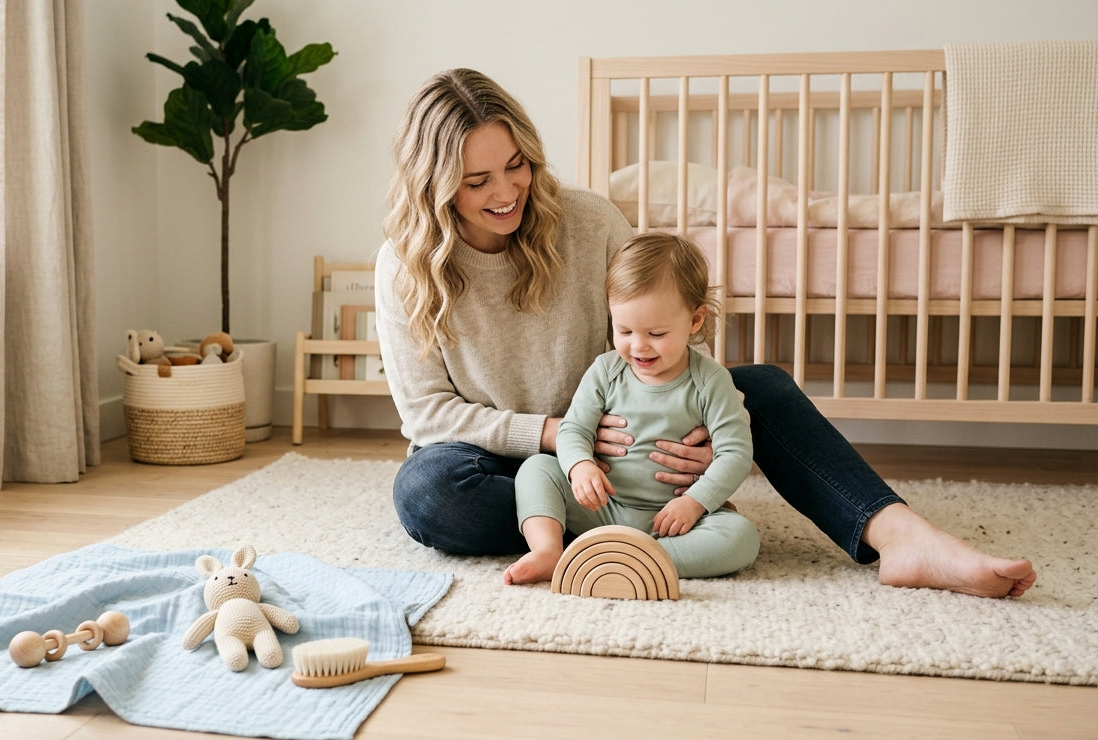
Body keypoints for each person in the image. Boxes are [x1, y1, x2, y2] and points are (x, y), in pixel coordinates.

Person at [374, 67, 1037, 599]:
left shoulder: (587, 221)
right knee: (427, 494)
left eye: (516, 165)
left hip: (627, 441)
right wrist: (555, 437)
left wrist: (694, 426)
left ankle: (901, 538)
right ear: (434, 186)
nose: (506, 191)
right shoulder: (404, 265)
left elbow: (663, 323)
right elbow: (428, 415)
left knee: (765, 389)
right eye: (476, 180)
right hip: (516, 458)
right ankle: (607, 542)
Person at [506, 232, 759, 585]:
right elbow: (574, 430)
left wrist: (697, 502)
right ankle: (549, 551)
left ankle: (636, 559)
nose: (638, 346)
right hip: (601, 507)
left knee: (741, 539)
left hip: (673, 518)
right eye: (624, 330)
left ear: (695, 320)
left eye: (656, 333)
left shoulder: (711, 381)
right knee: (537, 469)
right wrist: (580, 468)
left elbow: (735, 453)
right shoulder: (606, 371)